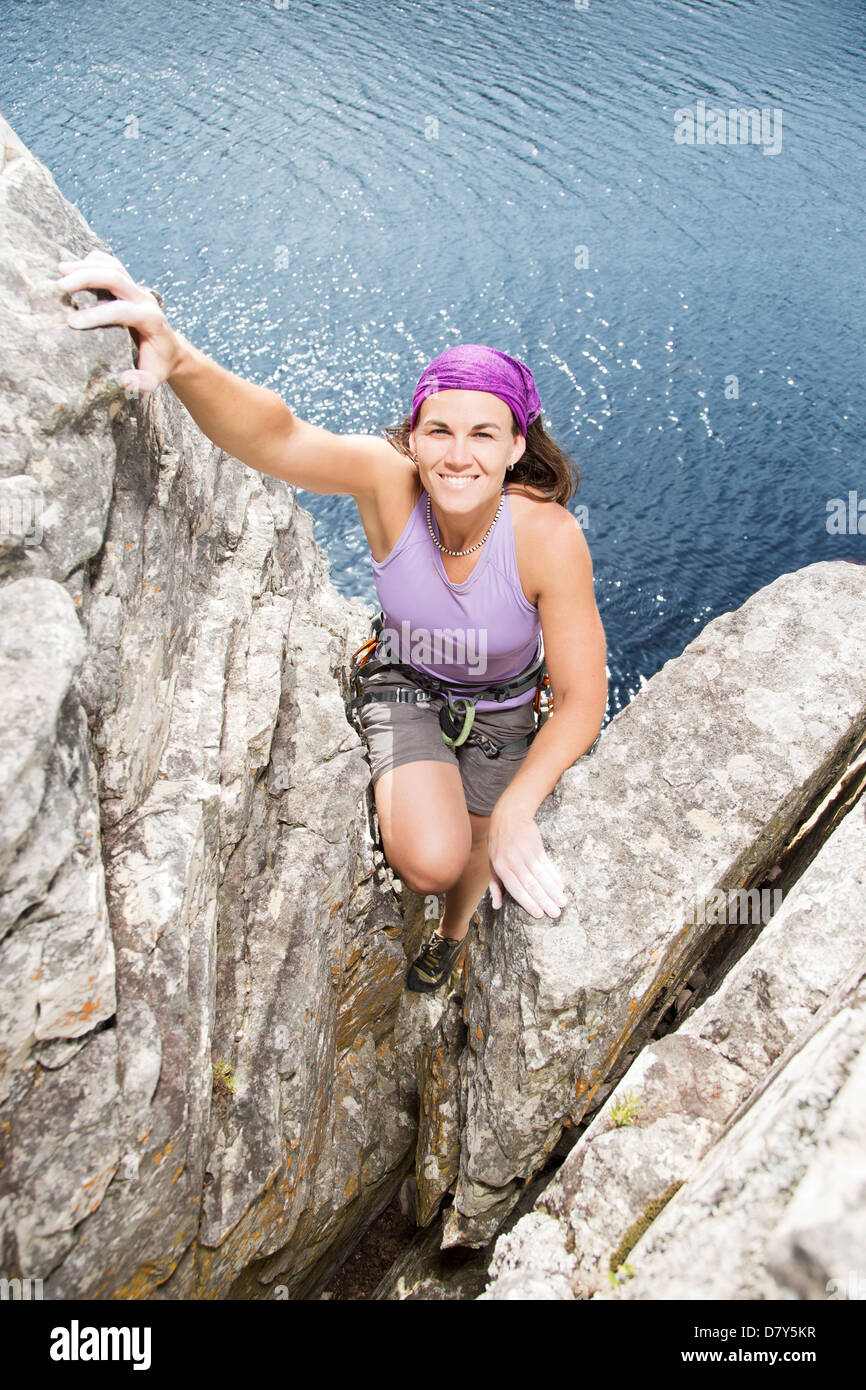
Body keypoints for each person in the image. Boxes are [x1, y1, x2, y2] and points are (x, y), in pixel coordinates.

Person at [57, 250, 608, 994]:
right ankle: (407, 785)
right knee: (431, 861)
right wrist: (178, 356)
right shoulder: (389, 483)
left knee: (484, 836)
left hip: (507, 710)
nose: (457, 455)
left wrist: (516, 810)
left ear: (517, 447)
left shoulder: (547, 538)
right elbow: (279, 436)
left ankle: (450, 935)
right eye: (438, 431)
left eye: (485, 435)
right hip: (408, 686)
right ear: (411, 438)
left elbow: (581, 700)